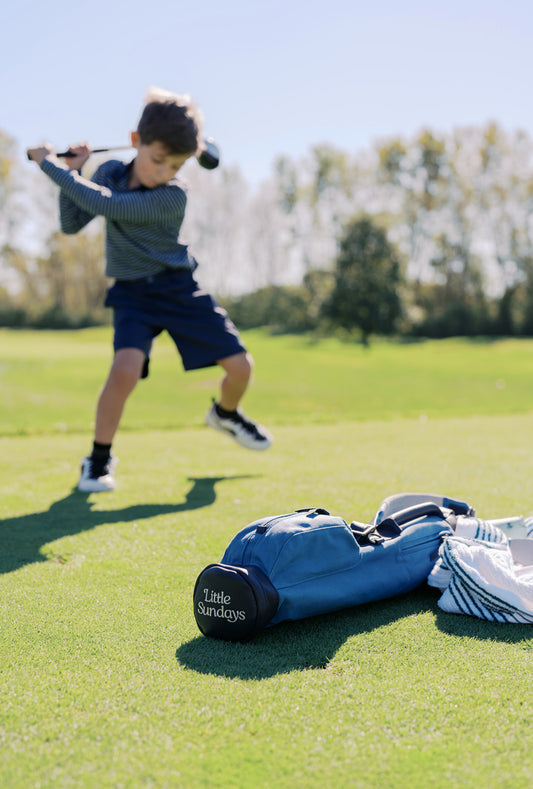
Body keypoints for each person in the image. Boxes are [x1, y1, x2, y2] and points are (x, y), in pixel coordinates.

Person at [27, 87, 273, 493]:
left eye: (175, 164)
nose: (164, 171)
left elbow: (111, 206)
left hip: (178, 288)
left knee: (240, 368)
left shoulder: (173, 195)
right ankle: (98, 461)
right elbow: (72, 223)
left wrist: (52, 166)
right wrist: (75, 171)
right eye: (158, 160)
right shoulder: (108, 174)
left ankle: (225, 414)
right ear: (135, 141)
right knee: (124, 371)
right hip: (132, 293)